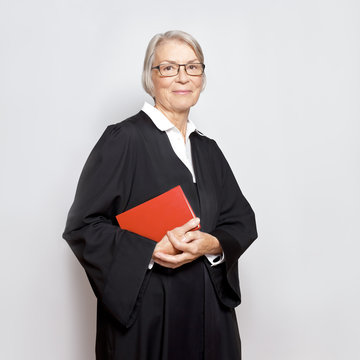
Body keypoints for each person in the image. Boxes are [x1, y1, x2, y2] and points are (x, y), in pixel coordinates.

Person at [63, 30, 258, 360]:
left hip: (211, 319)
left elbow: (240, 221)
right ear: (150, 77)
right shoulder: (122, 140)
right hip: (148, 321)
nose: (183, 77)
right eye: (168, 67)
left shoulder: (208, 150)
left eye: (193, 67)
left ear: (202, 77)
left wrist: (213, 244)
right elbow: (83, 228)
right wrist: (149, 251)